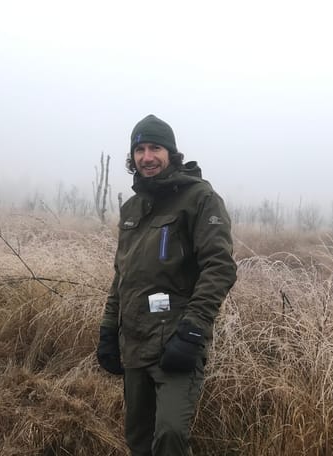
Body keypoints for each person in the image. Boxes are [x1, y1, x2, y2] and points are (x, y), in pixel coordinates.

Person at [96, 114, 237, 456]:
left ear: (170, 153)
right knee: (139, 440)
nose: (147, 156)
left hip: (175, 340)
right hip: (134, 342)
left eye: (155, 148)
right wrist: (107, 330)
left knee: (170, 435)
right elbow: (122, 276)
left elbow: (219, 267)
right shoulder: (131, 209)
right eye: (140, 149)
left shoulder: (199, 199)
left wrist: (193, 330)